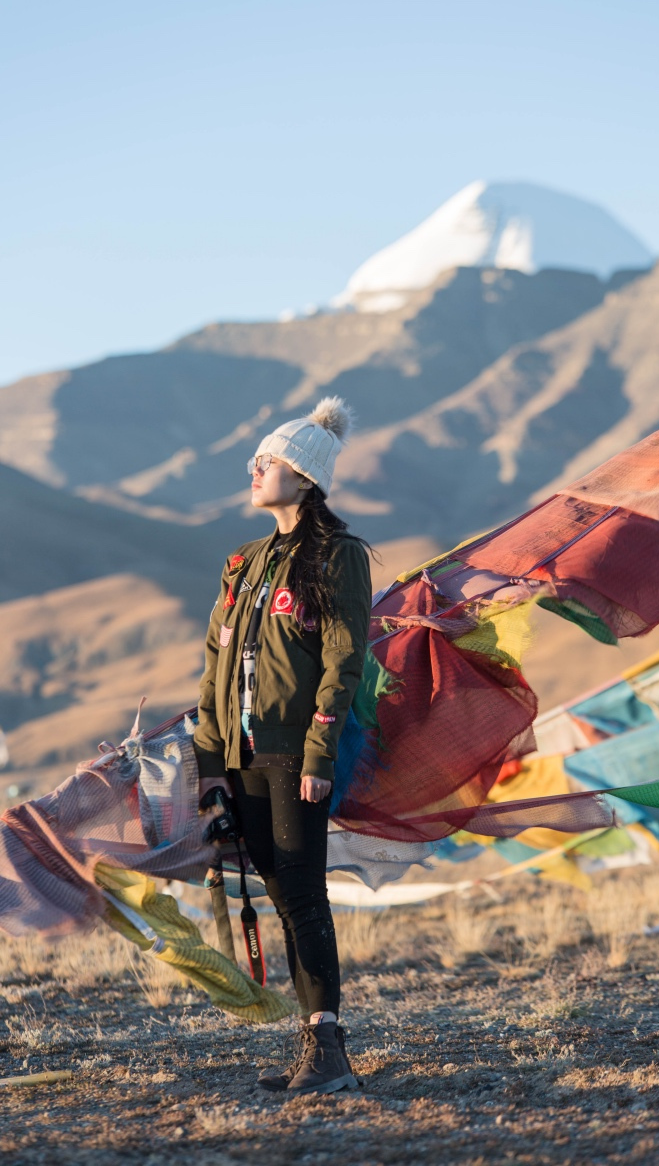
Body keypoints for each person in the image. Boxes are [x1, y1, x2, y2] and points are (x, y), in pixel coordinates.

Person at [193, 396, 372, 1096]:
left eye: (265, 461)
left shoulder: (338, 556)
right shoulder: (244, 563)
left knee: (303, 895)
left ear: (302, 475)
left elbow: (343, 661)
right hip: (240, 756)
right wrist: (210, 764)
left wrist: (320, 754)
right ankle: (311, 1051)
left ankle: (328, 1051)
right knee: (281, 892)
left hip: (295, 755)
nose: (254, 469)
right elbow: (214, 665)